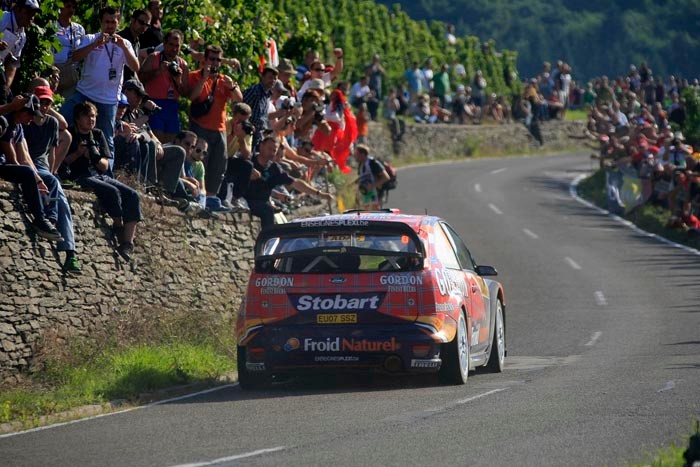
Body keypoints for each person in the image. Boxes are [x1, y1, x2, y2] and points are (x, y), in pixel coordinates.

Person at [63, 101, 141, 261]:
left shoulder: (98, 135)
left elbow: (105, 166)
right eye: (87, 116)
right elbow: (62, 162)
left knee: (133, 195)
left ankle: (128, 243)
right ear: (78, 118)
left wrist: (94, 156)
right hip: (80, 176)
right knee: (112, 192)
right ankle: (118, 225)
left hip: (100, 175)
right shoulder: (69, 134)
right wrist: (78, 153)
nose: (91, 120)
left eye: (93, 116)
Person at [60, 6, 140, 160]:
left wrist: (123, 46)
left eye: (113, 22)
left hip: (108, 100)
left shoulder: (125, 44)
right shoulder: (90, 38)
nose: (110, 26)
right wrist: (94, 45)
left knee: (107, 140)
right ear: (101, 23)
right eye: (106, 22)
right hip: (85, 93)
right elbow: (75, 57)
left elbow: (136, 67)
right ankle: (61, 162)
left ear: (119, 22)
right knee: (63, 120)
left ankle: (106, 174)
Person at [22, 86, 80, 272]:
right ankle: (69, 250)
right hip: (28, 163)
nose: (45, 106)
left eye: (48, 102)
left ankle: (69, 251)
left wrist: (52, 172)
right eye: (42, 101)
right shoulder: (26, 121)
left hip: (42, 166)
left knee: (56, 189)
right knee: (60, 197)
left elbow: (52, 152)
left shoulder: (52, 123)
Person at [188, 45, 242, 212]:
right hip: (200, 126)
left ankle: (211, 199)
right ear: (204, 59)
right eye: (212, 59)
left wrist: (232, 87)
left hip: (219, 128)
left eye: (219, 59)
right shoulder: (195, 76)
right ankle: (197, 196)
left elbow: (239, 99)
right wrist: (204, 79)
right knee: (199, 162)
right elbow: (191, 96)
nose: (216, 62)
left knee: (219, 165)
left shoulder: (224, 79)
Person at [0, 98, 62, 241]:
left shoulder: (19, 127)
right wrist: (31, 180)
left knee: (47, 179)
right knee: (26, 174)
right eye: (30, 114)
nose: (32, 118)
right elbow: (12, 159)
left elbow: (24, 158)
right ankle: (40, 220)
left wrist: (39, 181)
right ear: (20, 111)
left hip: (5, 165)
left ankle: (49, 219)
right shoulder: (6, 122)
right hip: (2, 164)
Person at [243, 136, 333, 229]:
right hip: (245, 200)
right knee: (268, 210)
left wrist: (319, 193)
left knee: (272, 210)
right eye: (269, 149)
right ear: (261, 146)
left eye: (274, 151)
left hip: (263, 202)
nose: (272, 153)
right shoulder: (249, 160)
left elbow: (295, 183)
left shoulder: (274, 168)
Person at [138, 29, 189, 143]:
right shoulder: (154, 57)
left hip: (172, 106)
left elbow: (185, 93)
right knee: (156, 141)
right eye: (171, 44)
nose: (174, 49)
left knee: (169, 143)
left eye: (177, 46)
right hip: (154, 103)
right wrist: (158, 71)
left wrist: (178, 80)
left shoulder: (182, 64)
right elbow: (140, 78)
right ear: (164, 44)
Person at [0, 0, 41, 104]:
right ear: (17, 9)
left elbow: (13, 63)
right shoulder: (3, 19)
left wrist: (6, 86)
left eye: (33, 14)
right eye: (28, 12)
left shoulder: (22, 36)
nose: (31, 17)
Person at [53, 0, 85, 98]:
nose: (71, 10)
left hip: (71, 73)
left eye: (73, 7)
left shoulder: (79, 29)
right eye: (68, 6)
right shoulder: (52, 26)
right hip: (54, 71)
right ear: (60, 8)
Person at [116, 9, 151, 82]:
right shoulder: (120, 38)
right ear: (132, 20)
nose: (144, 26)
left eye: (147, 25)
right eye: (141, 22)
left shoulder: (137, 42)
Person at [353, 144, 389, 209]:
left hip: (376, 194)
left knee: (376, 214)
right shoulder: (361, 165)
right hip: (366, 194)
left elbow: (386, 177)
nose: (356, 157)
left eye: (357, 154)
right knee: (367, 214)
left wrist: (372, 186)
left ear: (363, 154)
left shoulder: (373, 163)